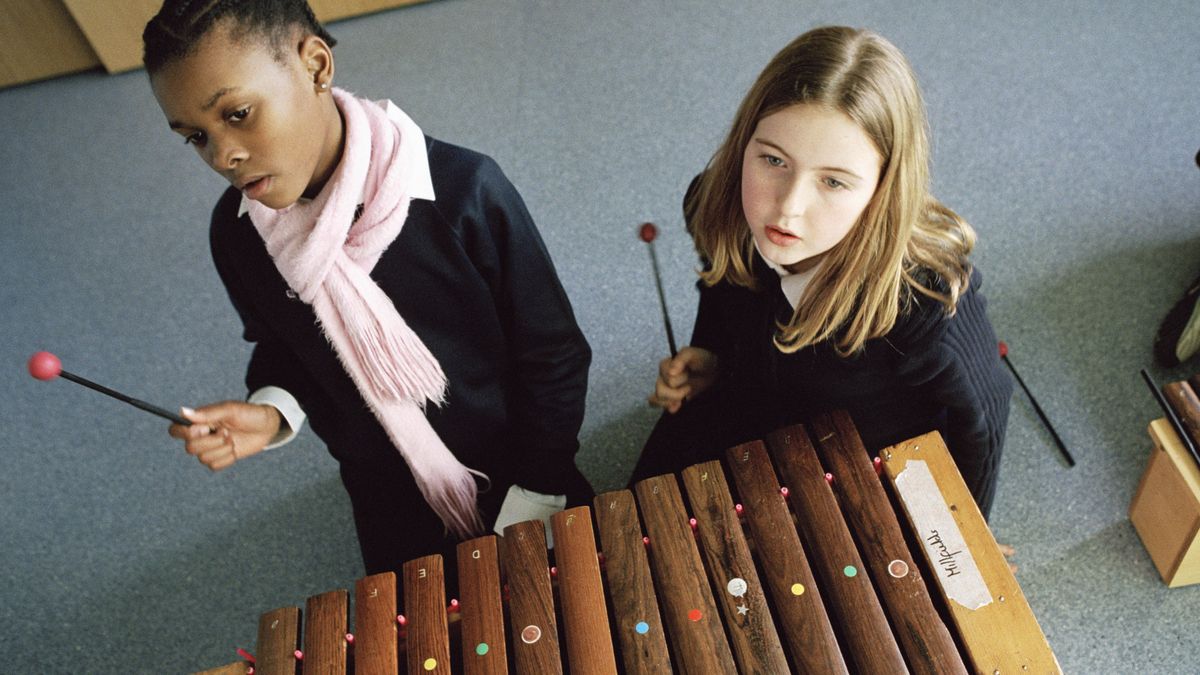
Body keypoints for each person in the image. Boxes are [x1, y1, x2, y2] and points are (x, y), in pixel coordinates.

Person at [143, 0, 593, 576]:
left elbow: (552, 354)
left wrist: (539, 483)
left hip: (525, 464)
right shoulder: (236, 236)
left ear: (315, 65)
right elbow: (284, 345)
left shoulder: (463, 192)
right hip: (386, 492)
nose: (223, 156)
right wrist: (273, 409)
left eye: (238, 113)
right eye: (194, 137)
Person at [636, 26, 1013, 518]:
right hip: (746, 402)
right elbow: (719, 284)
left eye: (833, 181)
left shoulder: (924, 298)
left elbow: (982, 415)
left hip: (854, 455)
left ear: (881, 190)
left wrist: (967, 530)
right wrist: (712, 355)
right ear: (743, 144)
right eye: (773, 160)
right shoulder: (717, 203)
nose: (787, 208)